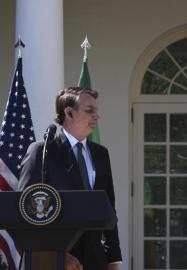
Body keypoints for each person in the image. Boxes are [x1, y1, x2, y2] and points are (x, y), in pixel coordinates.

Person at [18, 87, 122, 270]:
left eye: (96, 111)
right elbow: (25, 211)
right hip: (54, 262)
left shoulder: (101, 154)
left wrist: (114, 260)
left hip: (95, 261)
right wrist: (56, 255)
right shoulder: (43, 152)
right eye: (89, 111)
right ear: (68, 113)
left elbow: (109, 211)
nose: (97, 117)